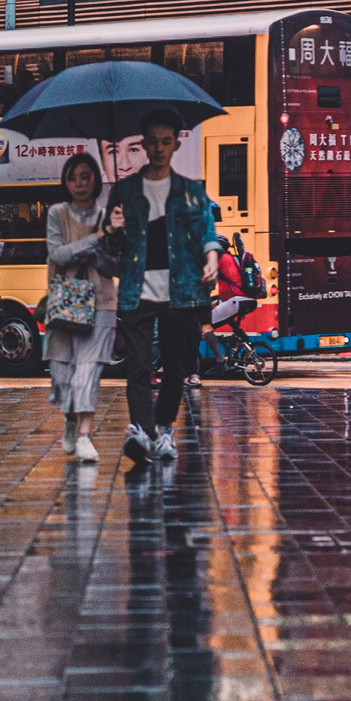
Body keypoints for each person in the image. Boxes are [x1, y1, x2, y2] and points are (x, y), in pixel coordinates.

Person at [103, 108, 226, 466]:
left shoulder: (191, 191)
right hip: (136, 291)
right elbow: (111, 249)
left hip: (181, 291)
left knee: (175, 368)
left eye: (165, 142)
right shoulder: (124, 190)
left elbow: (207, 232)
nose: (159, 149)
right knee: (138, 367)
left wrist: (211, 258)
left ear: (176, 144)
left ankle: (163, 429)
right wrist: (113, 229)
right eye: (153, 142)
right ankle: (143, 431)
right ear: (143, 144)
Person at [44, 152, 115, 460]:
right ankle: (71, 419)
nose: (79, 183)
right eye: (72, 177)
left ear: (96, 178)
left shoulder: (109, 217)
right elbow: (58, 254)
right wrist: (97, 238)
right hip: (65, 299)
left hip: (102, 301)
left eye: (85, 176)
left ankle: (85, 435)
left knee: (88, 369)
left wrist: (109, 237)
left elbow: (116, 265)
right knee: (63, 372)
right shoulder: (56, 213)